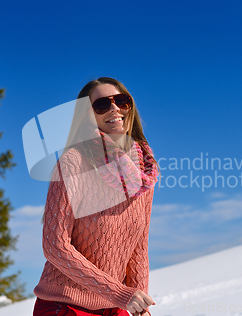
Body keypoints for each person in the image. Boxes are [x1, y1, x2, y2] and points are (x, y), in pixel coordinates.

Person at [32, 77, 160, 316]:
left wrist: (139, 303)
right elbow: (55, 245)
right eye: (101, 105)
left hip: (114, 305)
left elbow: (139, 247)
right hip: (66, 304)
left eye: (121, 101)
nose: (114, 109)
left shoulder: (145, 176)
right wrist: (120, 293)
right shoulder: (73, 162)